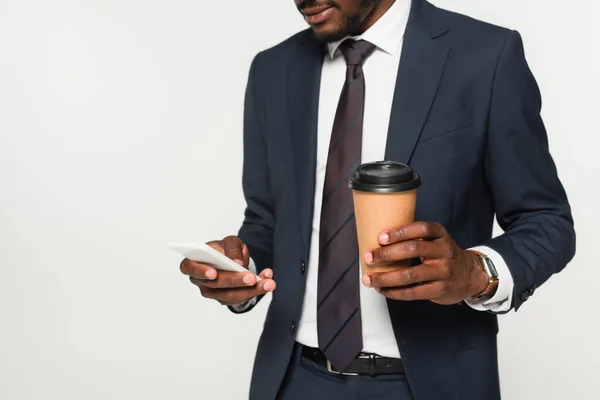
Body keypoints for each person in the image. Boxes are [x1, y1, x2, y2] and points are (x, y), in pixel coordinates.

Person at [179, 0, 576, 398]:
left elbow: (546, 220)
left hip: (431, 382)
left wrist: (476, 273)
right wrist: (239, 267)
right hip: (294, 379)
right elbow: (267, 222)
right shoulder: (273, 70)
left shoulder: (485, 55)